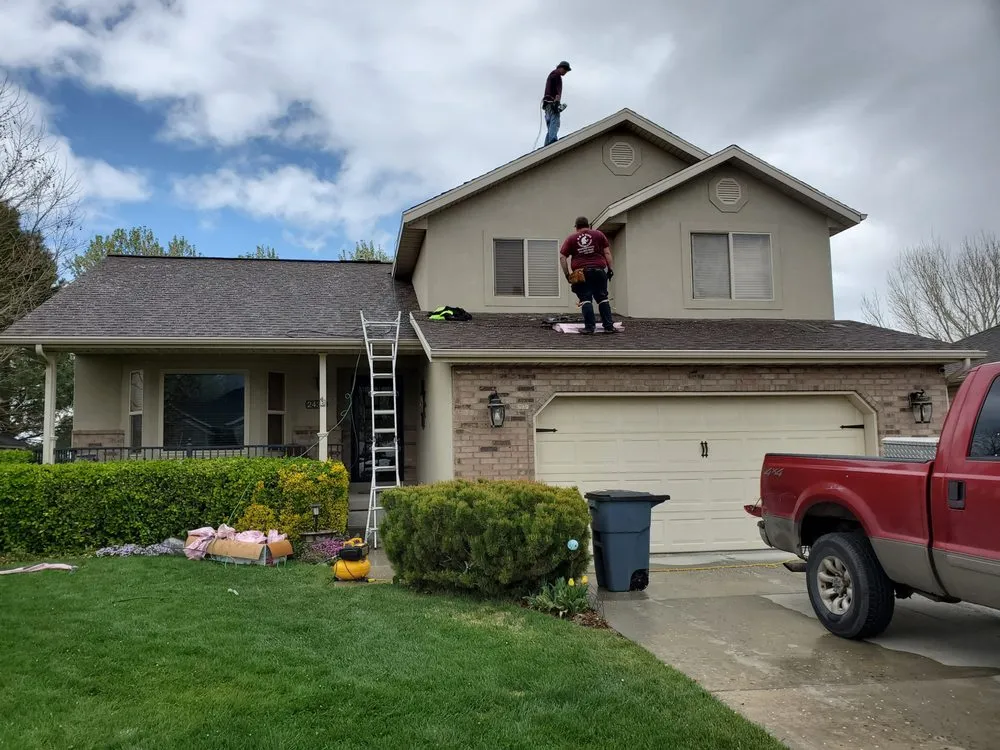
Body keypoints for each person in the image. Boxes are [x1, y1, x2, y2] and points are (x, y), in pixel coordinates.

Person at [559, 216, 615, 333]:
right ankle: (609, 326)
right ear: (588, 225)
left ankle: (590, 328)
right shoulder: (599, 235)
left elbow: (562, 257)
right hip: (599, 271)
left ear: (576, 227)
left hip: (582, 273)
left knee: (585, 299)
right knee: (602, 298)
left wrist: (567, 274)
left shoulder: (572, 238)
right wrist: (610, 269)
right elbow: (607, 252)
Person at [541, 61, 570, 146]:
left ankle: (547, 145)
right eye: (565, 69)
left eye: (567, 70)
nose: (565, 72)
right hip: (552, 103)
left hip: (547, 105)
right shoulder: (557, 75)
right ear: (560, 67)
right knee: (555, 122)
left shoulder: (552, 74)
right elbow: (557, 91)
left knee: (550, 125)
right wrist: (557, 102)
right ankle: (553, 141)